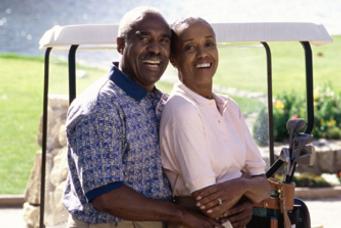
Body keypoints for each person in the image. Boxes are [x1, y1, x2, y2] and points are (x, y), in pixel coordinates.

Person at [64, 8, 222, 228]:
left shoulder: (161, 103)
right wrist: (181, 216)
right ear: (121, 45)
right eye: (144, 39)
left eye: (164, 41)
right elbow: (107, 197)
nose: (155, 49)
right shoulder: (100, 107)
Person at [160, 17, 271, 228]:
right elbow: (211, 204)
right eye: (190, 47)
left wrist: (241, 189)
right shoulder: (182, 109)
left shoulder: (229, 106)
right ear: (174, 59)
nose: (203, 54)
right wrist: (248, 189)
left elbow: (264, 185)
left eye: (209, 43)